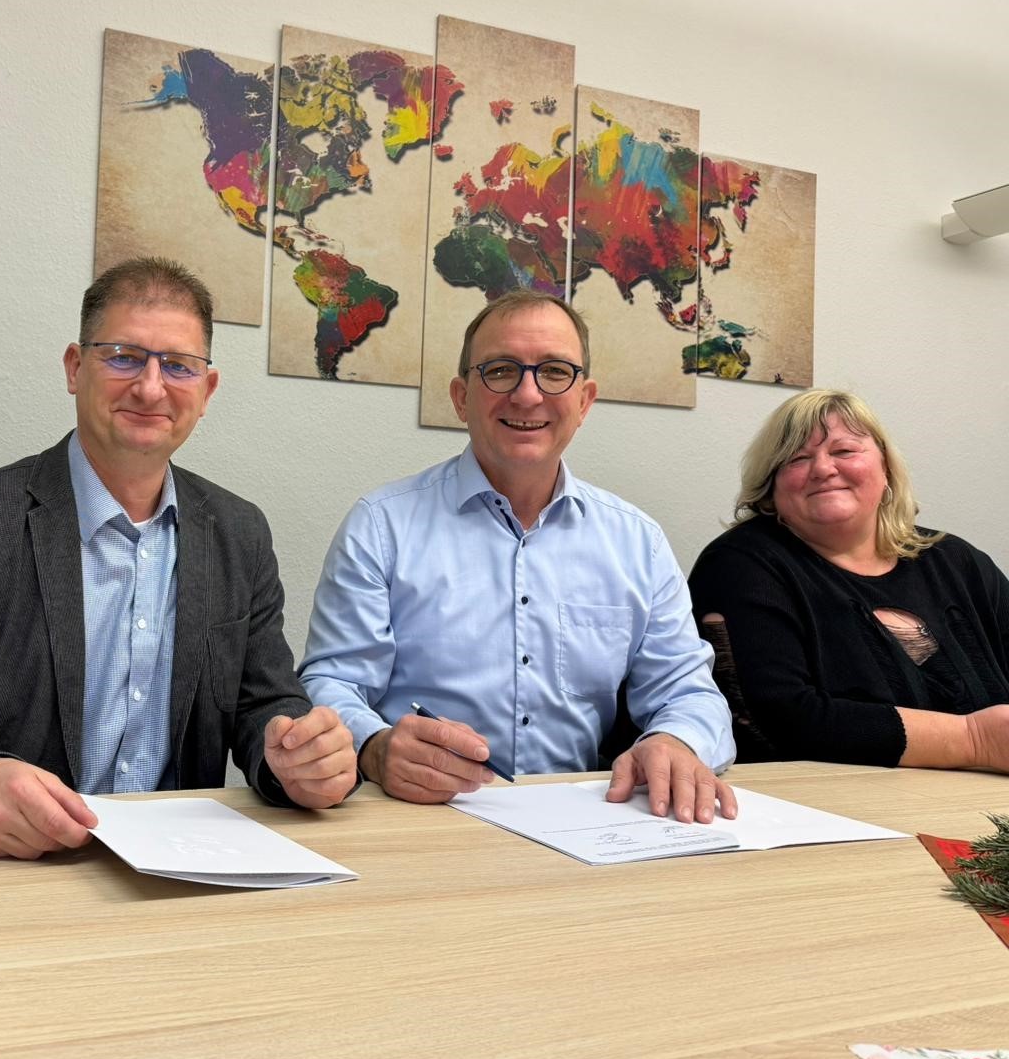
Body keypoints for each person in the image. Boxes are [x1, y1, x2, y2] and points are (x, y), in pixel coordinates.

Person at [0, 258, 357, 858]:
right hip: (14, 869)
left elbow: (267, 705)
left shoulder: (240, 533)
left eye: (178, 366)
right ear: (76, 368)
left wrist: (295, 756)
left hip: (180, 872)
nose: (151, 387)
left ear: (206, 392)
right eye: (124, 356)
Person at [301, 290, 736, 823]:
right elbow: (332, 684)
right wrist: (374, 747)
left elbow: (690, 691)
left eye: (555, 372)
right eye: (501, 371)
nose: (528, 395)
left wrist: (676, 741)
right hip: (417, 820)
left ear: (585, 400)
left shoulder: (636, 543)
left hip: (587, 824)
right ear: (461, 398)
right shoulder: (380, 526)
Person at [689, 389, 1009, 771]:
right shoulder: (741, 565)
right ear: (771, 487)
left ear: (885, 468)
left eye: (844, 452)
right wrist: (974, 740)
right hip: (822, 804)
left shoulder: (955, 560)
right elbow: (778, 719)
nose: (823, 468)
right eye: (797, 458)